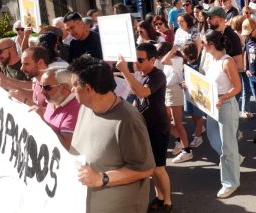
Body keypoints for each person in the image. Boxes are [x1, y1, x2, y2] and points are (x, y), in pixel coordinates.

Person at [68, 55, 155, 213]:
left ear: (88, 89)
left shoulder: (128, 120)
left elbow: (145, 169)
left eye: (74, 85)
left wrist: (102, 178)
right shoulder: (86, 107)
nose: (71, 89)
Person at [116, 43, 173, 212]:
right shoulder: (140, 74)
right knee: (151, 168)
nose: (137, 64)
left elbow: (142, 93)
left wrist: (125, 71)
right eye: (135, 60)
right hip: (144, 127)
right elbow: (136, 97)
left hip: (158, 128)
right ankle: (160, 197)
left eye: (140, 60)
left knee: (159, 168)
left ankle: (168, 202)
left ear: (153, 60)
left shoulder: (158, 75)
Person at [200, 29, 242, 198]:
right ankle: (234, 158)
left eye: (203, 43)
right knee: (213, 138)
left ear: (211, 45)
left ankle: (230, 183)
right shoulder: (211, 59)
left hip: (225, 105)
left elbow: (237, 87)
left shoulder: (227, 62)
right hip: (213, 105)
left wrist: (223, 98)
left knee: (226, 147)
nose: (201, 46)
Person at [156, 42, 192, 163]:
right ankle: (179, 142)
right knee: (165, 121)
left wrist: (171, 51)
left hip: (175, 92)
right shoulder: (171, 59)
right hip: (168, 91)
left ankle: (187, 151)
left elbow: (163, 61)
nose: (159, 57)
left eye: (161, 54)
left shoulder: (176, 59)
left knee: (177, 124)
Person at [38, 67, 80, 150]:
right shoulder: (53, 100)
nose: (42, 91)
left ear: (64, 87)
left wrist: (42, 121)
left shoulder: (76, 109)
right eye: (40, 86)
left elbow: (66, 147)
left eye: (47, 87)